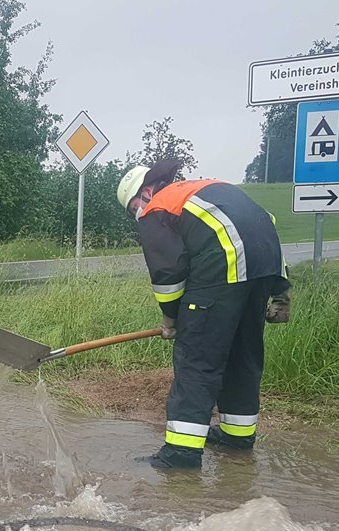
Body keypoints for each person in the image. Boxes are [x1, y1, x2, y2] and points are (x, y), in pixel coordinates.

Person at [116, 160, 291, 469]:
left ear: (145, 191)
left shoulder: (158, 206)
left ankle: (181, 455)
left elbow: (167, 274)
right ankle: (237, 438)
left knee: (197, 359)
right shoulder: (205, 189)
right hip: (263, 269)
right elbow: (264, 225)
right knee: (242, 355)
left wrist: (172, 320)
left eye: (133, 209)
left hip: (223, 265)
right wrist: (281, 290)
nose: (137, 216)